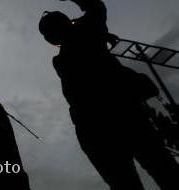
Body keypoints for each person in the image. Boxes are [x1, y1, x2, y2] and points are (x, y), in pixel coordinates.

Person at [39, 0, 179, 189]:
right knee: (163, 170)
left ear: (50, 38)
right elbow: (95, 7)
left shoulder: (66, 56)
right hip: (122, 117)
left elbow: (93, 11)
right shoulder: (83, 38)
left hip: (96, 128)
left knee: (132, 180)